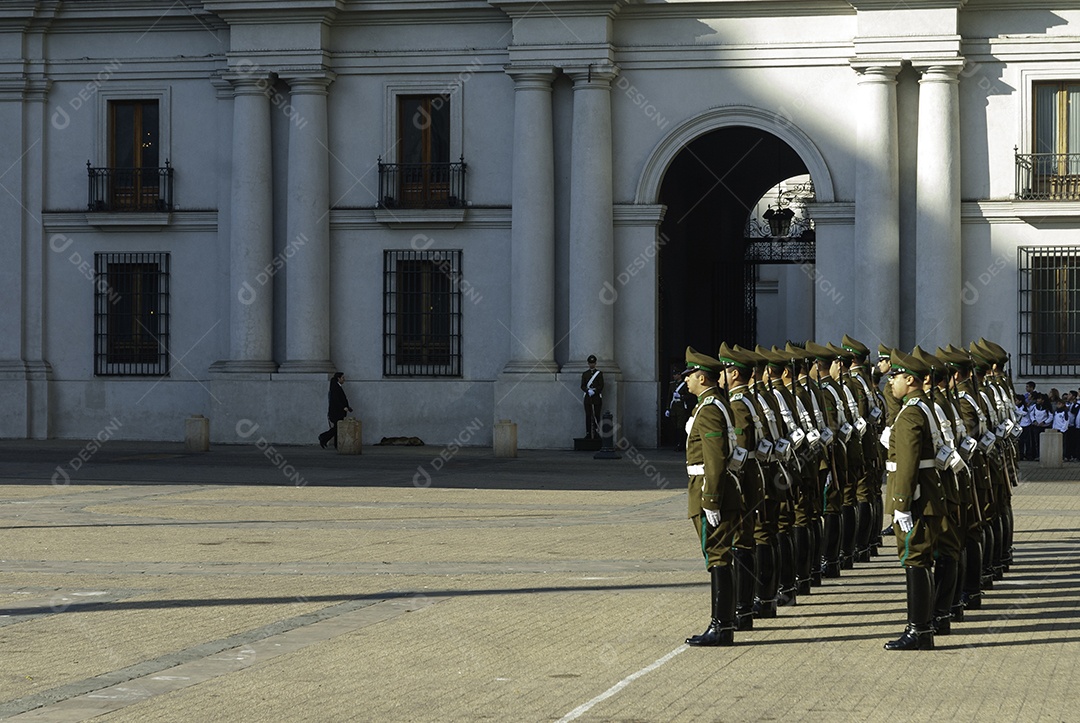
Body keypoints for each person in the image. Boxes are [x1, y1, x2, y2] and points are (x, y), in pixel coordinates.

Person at [883, 349, 955, 651]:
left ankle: (919, 630)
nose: (892, 382)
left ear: (909, 379)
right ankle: (923, 626)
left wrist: (900, 504)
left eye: (895, 377)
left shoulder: (911, 412)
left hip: (917, 498)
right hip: (928, 493)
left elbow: (908, 463)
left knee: (915, 558)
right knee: (921, 559)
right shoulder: (923, 407)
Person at [681, 347, 744, 647]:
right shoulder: (715, 404)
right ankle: (724, 623)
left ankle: (721, 626)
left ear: (701, 378)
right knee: (720, 556)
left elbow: (715, 459)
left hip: (709, 488)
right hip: (714, 487)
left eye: (689, 376)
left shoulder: (709, 410)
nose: (686, 381)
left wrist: (710, 499)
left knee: (718, 556)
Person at [318, 372, 352, 449]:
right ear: (338, 378)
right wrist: (343, 407)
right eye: (343, 378)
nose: (344, 379)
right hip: (336, 412)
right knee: (337, 428)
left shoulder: (336, 386)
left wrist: (347, 407)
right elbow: (336, 400)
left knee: (337, 428)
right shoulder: (336, 387)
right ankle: (323, 437)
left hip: (337, 412)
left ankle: (333, 443)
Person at [666, 365, 695, 451]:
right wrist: (667, 408)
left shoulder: (685, 385)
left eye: (676, 374)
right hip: (674, 407)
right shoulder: (672, 384)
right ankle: (676, 443)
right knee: (674, 426)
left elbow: (690, 396)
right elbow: (669, 397)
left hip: (682, 407)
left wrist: (681, 397)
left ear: (679, 375)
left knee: (680, 426)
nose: (674, 376)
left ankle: (681, 444)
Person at [581, 355, 604, 440]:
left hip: (596, 398)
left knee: (596, 415)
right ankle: (588, 433)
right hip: (588, 398)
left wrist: (595, 391)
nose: (592, 365)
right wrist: (587, 391)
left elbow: (601, 385)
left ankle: (597, 432)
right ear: (588, 363)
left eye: (593, 363)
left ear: (595, 363)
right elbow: (582, 386)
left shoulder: (599, 374)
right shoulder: (585, 374)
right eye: (590, 363)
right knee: (588, 416)